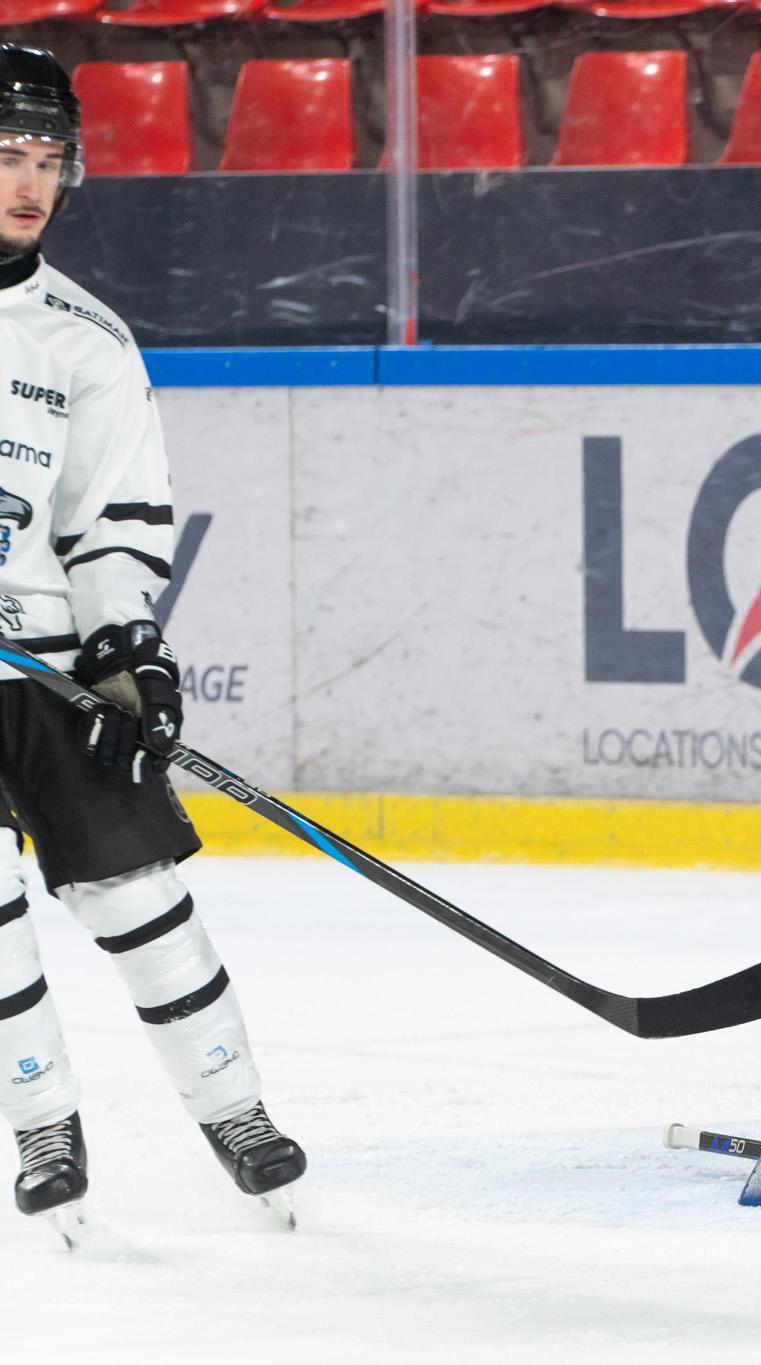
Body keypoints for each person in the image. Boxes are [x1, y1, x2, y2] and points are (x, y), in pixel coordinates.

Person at [0, 45, 304, 1237]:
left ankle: (236, 1111)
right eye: (4, 158)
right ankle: (40, 1121)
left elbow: (114, 524)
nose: (29, 185)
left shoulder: (87, 342)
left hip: (50, 667)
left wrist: (130, 651)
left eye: (44, 161)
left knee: (138, 897)